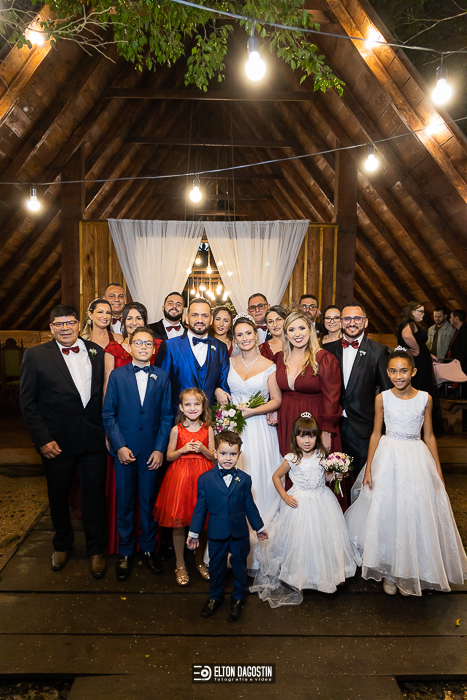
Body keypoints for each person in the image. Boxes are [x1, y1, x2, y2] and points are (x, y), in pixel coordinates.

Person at [345, 348, 467, 596]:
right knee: (388, 512)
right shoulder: (382, 398)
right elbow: (376, 434)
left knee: (413, 511)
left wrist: (437, 470)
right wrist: (369, 468)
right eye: (393, 371)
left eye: (403, 371)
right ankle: (390, 571)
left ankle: (410, 571)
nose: (398, 376)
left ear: (413, 371)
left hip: (415, 458)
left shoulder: (425, 399)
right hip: (388, 458)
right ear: (387, 373)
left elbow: (429, 435)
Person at [19, 305, 107, 579]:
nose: (65, 328)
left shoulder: (96, 351)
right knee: (58, 496)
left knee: (94, 497)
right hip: (56, 442)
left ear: (79, 324)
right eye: (59, 324)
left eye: (70, 322)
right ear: (51, 328)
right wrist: (42, 440)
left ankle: (96, 550)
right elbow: (28, 402)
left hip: (92, 439)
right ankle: (62, 544)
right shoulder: (35, 355)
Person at [250, 414, 356, 607]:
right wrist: (285, 496)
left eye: (311, 436)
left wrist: (335, 476)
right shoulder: (291, 458)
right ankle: (301, 575)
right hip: (299, 503)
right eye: (302, 436)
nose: (307, 440)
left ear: (316, 437)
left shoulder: (321, 456)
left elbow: (325, 478)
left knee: (322, 538)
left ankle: (325, 574)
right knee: (301, 539)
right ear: (295, 437)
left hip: (321, 500)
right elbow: (276, 477)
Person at [102, 327, 172, 581]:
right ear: (130, 347)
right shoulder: (117, 376)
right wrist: (119, 446)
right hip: (125, 449)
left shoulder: (162, 377)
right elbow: (108, 414)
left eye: (148, 344)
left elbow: (166, 416)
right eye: (138, 343)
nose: (143, 347)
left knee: (149, 501)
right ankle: (125, 551)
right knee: (124, 502)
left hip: (151, 451)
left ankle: (150, 549)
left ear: (154, 349)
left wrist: (160, 449)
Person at [187, 431, 268, 620]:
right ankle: (215, 597)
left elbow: (250, 506)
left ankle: (239, 597)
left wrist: (259, 527)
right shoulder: (205, 479)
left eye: (232, 454)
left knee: (239, 566)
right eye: (223, 453)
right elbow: (200, 508)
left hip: (239, 533)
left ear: (239, 454)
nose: (228, 458)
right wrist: (194, 532)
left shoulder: (245, 479)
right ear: (215, 453)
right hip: (217, 534)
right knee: (216, 567)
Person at [228, 313, 283, 571]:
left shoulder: (268, 365)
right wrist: (220, 393)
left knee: (259, 480)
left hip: (260, 429)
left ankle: (261, 552)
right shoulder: (229, 362)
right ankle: (233, 547)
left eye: (248, 333)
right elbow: (221, 388)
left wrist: (253, 412)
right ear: (235, 339)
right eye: (239, 334)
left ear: (256, 335)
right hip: (234, 430)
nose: (244, 338)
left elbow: (276, 400)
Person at [154, 388, 215, 586]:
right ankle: (180, 564)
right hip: (180, 481)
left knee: (203, 522)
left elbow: (213, 456)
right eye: (188, 404)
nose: (192, 408)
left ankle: (199, 561)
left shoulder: (208, 429)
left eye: (196, 404)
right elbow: (169, 456)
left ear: (203, 407)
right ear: (181, 407)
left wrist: (203, 449)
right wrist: (183, 449)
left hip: (203, 479)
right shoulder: (176, 430)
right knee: (179, 523)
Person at [326, 303, 391, 477]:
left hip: (363, 428)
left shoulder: (379, 352)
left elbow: (387, 393)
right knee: (333, 478)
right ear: (341, 322)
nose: (352, 323)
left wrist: (384, 430)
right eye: (347, 318)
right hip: (333, 426)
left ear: (365, 322)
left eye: (357, 318)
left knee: (363, 478)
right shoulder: (327, 351)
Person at [275, 310, 342, 457]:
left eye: (302, 328)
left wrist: (326, 432)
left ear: (310, 330)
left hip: (314, 420)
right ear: (285, 334)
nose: (297, 334)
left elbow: (332, 399)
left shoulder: (324, 359)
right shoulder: (280, 358)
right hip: (286, 419)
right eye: (291, 329)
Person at [156, 298, 231, 418]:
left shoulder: (221, 348)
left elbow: (223, 384)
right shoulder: (170, 346)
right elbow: (161, 388)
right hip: (178, 419)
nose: (200, 320)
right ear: (186, 318)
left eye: (204, 316)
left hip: (210, 420)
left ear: (211, 319)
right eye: (195, 315)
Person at [104, 302, 162, 393]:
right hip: (121, 398)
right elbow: (108, 384)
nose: (134, 323)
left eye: (138, 318)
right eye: (129, 318)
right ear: (123, 322)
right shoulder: (113, 348)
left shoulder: (158, 345)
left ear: (145, 321)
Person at [397, 302, 435, 396]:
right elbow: (406, 336)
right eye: (420, 311)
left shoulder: (413, 324)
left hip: (421, 358)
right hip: (418, 360)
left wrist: (429, 354)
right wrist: (417, 349)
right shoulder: (410, 323)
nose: (423, 314)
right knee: (420, 384)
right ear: (412, 312)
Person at [447, 310, 467, 375]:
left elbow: (464, 350)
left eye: (451, 317)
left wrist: (458, 364)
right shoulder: (458, 331)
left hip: (463, 366)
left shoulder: (464, 331)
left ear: (456, 319)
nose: (450, 319)